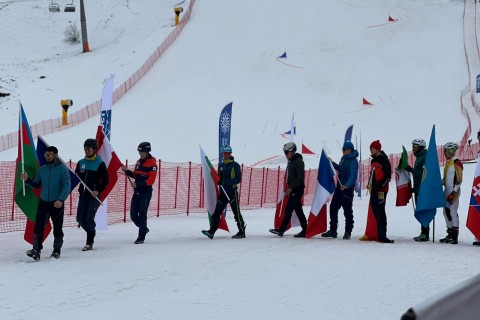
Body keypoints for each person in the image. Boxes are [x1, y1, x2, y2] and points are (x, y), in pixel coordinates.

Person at [22, 146, 71, 260]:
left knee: (57, 228)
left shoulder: (62, 169)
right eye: (46, 155)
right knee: (38, 226)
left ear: (55, 155)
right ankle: (36, 250)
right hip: (43, 203)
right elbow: (37, 184)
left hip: (57, 204)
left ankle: (56, 250)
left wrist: (60, 200)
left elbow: (66, 186)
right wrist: (27, 180)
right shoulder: (42, 169)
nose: (47, 157)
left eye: (50, 155)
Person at [202, 145, 246, 239]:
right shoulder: (221, 166)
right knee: (216, 212)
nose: (225, 155)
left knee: (236, 213)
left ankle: (242, 231)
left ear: (230, 154)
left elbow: (238, 179)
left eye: (227, 153)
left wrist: (225, 182)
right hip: (223, 193)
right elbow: (219, 178)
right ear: (222, 154)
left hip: (231, 193)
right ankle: (211, 231)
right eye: (224, 153)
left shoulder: (235, 165)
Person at [75, 138, 109, 251]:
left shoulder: (100, 163)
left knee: (89, 218)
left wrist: (98, 190)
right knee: (80, 218)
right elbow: (76, 176)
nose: (86, 151)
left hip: (93, 195)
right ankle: (91, 231)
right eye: (85, 149)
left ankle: (89, 242)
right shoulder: (81, 163)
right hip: (83, 195)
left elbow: (105, 180)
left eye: (89, 149)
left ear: (94, 149)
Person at [269, 142, 308, 238]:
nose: (285, 154)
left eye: (287, 152)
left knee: (289, 209)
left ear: (292, 151)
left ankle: (281, 230)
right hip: (294, 189)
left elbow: (299, 178)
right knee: (298, 211)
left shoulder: (298, 161)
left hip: (297, 190)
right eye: (285, 152)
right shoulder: (292, 161)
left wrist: (290, 188)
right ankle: (305, 229)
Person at [121, 142, 157, 244]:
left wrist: (138, 185)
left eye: (142, 152)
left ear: (147, 152)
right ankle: (144, 228)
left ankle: (141, 236)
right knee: (133, 215)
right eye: (139, 152)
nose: (140, 154)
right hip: (137, 192)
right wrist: (126, 171)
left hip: (145, 192)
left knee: (142, 213)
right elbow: (135, 175)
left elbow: (151, 180)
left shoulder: (152, 164)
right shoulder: (138, 162)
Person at [321, 141, 358, 240]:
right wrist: (332, 163)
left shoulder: (354, 161)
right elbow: (341, 169)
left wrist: (347, 185)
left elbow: (353, 175)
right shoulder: (344, 158)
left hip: (347, 189)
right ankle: (333, 230)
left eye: (344, 150)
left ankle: (348, 232)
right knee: (333, 207)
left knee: (347, 211)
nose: (343, 151)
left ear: (349, 150)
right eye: (343, 149)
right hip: (339, 187)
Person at [362, 140, 394, 243]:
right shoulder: (373, 160)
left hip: (382, 189)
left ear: (377, 149)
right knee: (375, 209)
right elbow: (372, 174)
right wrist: (369, 184)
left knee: (380, 210)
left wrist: (380, 185)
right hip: (374, 189)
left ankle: (382, 233)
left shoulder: (384, 160)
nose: (370, 151)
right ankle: (375, 231)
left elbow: (388, 176)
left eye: (372, 148)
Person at [405, 138, 429, 241]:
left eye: (415, 146)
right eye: (413, 146)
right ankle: (423, 232)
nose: (413, 148)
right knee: (420, 211)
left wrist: (410, 169)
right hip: (419, 189)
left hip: (423, 190)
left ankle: (425, 233)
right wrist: (414, 189)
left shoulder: (424, 157)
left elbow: (423, 174)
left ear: (421, 147)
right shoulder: (419, 157)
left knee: (423, 211)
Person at [440, 142, 463, 245]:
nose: (444, 153)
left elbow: (459, 179)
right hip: (446, 190)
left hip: (454, 190)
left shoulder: (457, 162)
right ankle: (449, 233)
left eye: (445, 151)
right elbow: (445, 179)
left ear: (451, 151)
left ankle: (454, 236)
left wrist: (454, 192)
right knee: (445, 212)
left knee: (453, 212)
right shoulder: (447, 163)